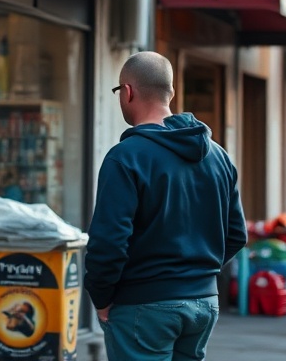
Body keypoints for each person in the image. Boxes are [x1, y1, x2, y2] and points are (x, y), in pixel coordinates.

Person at [85, 51, 248, 361]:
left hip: (142, 305)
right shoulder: (219, 156)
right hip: (203, 302)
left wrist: (102, 297)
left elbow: (108, 242)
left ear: (128, 92)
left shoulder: (126, 156)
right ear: (170, 93)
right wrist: (196, 273)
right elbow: (237, 234)